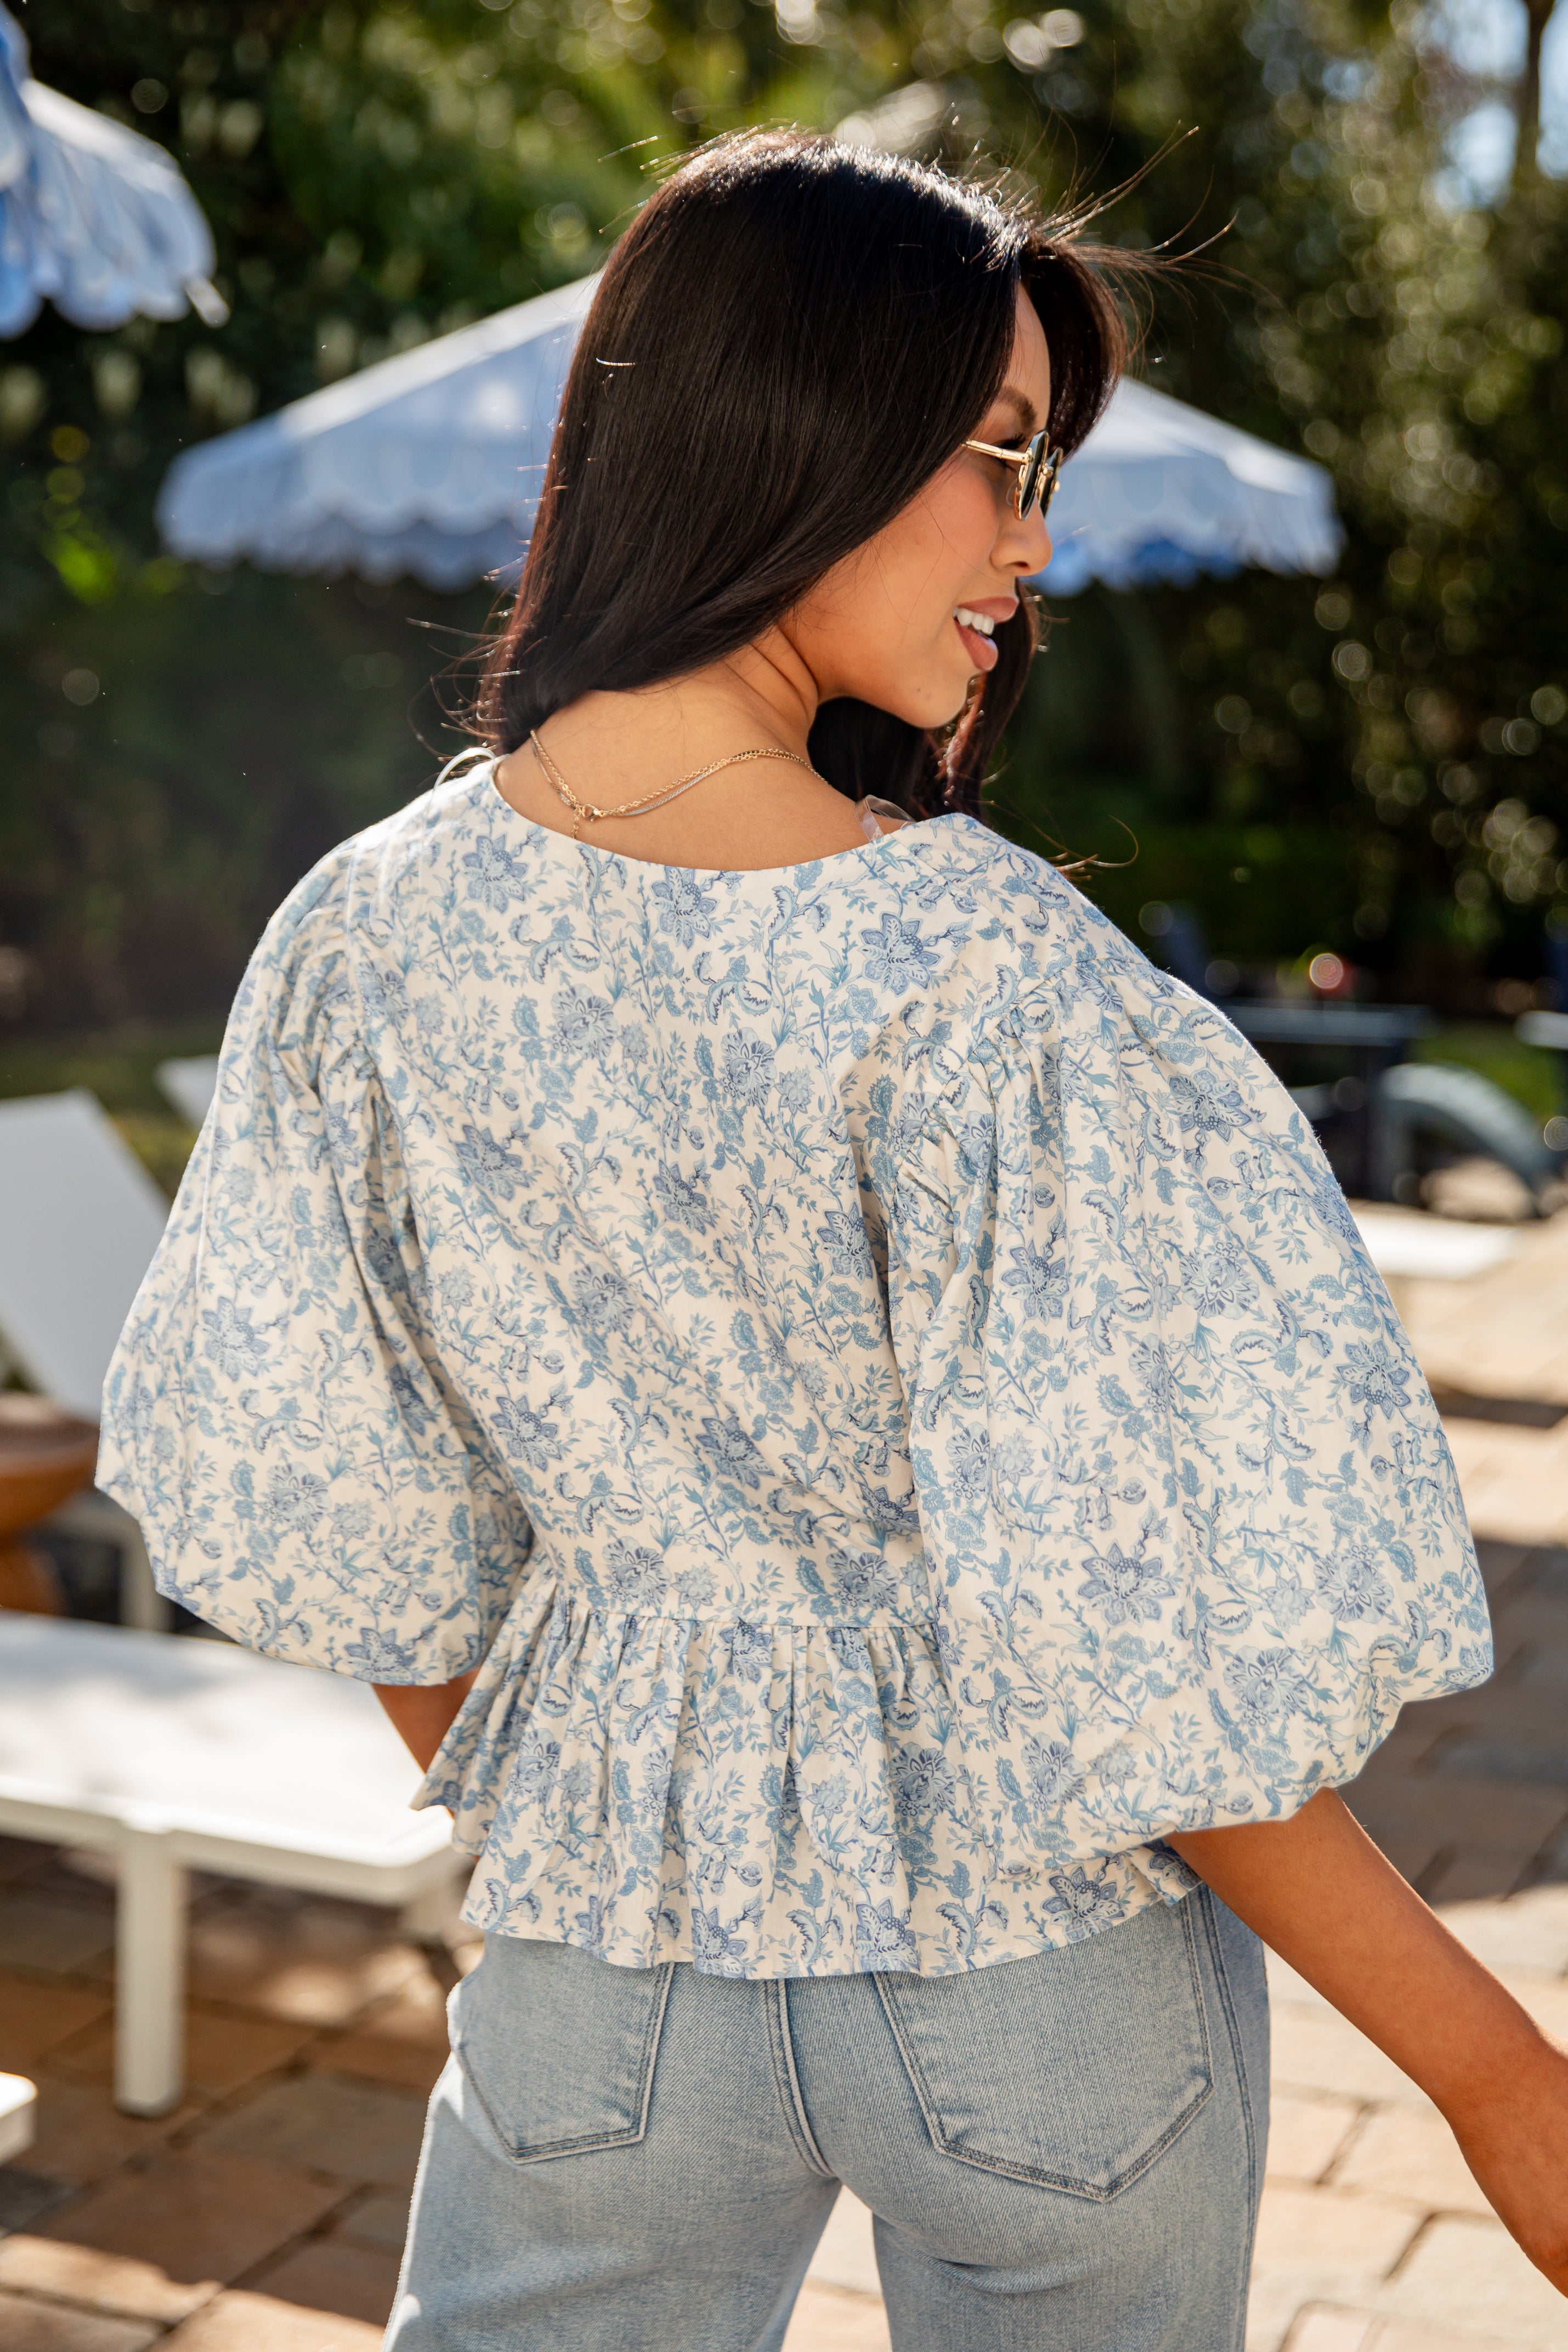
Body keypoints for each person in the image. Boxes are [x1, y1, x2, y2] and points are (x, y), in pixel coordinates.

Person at [98, 130, 1566, 2352]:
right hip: (1038, 1978)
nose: (1029, 536)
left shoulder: (362, 934)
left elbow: (336, 1507)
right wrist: (1492, 2068)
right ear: (787, 432)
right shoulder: (992, 979)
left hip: (603, 1974)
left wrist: (586, 1793)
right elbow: (1150, 1682)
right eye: (989, 457)